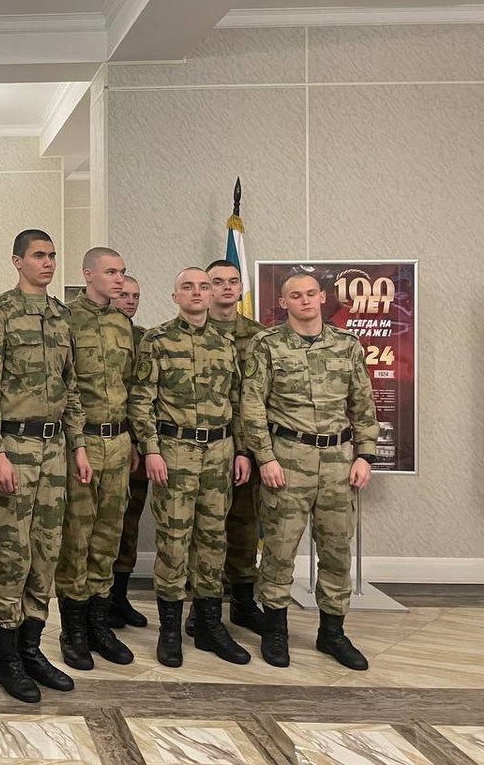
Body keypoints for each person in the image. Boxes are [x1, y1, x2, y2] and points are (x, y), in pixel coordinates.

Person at [0, 229, 87, 703]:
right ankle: (8, 657)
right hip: (13, 446)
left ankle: (32, 647)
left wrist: (78, 445)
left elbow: (71, 386)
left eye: (52, 255)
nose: (48, 263)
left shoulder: (62, 315)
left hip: (55, 446)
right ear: (17, 261)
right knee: (14, 551)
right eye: (39, 255)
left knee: (47, 551)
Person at [241, 273, 379, 671]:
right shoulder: (267, 344)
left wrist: (365, 455)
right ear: (284, 302)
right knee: (280, 548)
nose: (304, 300)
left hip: (338, 460)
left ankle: (332, 632)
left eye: (310, 294)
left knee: (337, 550)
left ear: (322, 297)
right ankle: (275, 630)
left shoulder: (347, 345)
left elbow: (363, 403)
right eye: (295, 295)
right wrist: (265, 457)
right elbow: (253, 404)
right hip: (288, 458)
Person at [129, 267, 252, 669]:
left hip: (220, 451)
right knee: (174, 540)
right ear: (175, 296)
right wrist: (150, 450)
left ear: (212, 294)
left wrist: (242, 451)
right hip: (175, 451)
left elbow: (238, 402)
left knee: (213, 540)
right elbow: (141, 401)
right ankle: (169, 631)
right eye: (188, 287)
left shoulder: (226, 342)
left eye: (204, 286)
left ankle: (209, 625)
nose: (198, 292)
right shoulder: (158, 340)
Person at [55, 247, 137, 671]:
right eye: (111, 272)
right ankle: (73, 631)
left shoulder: (123, 324)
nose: (119, 279)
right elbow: (62, 387)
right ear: (88, 274)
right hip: (82, 442)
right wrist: (76, 445)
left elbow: (132, 387)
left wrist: (135, 441)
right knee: (77, 537)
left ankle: (99, 624)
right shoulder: (66, 320)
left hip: (118, 442)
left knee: (108, 536)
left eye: (122, 272)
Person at [202, 259, 267, 636]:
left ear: (241, 288)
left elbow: (258, 398)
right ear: (206, 288)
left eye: (233, 281)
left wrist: (248, 449)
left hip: (246, 447)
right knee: (202, 529)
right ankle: (203, 609)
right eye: (217, 281)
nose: (226, 287)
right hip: (203, 447)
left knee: (244, 524)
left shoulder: (259, 337)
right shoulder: (193, 331)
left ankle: (243, 603)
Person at [108, 276, 149, 629]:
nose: (130, 300)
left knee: (129, 521)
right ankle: (98, 601)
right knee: (102, 524)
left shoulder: (145, 339)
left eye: (135, 295)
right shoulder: (96, 333)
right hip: (104, 441)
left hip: (135, 443)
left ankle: (119, 596)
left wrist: (142, 442)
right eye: (123, 294)